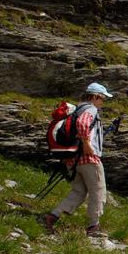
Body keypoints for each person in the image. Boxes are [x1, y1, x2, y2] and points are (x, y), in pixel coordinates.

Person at [43, 83, 115, 237]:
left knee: (79, 191)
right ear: (94, 96)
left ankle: (52, 217)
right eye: (102, 98)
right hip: (89, 158)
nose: (103, 102)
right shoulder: (90, 109)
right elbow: (82, 124)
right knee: (98, 191)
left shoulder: (77, 108)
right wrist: (87, 144)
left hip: (73, 159)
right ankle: (93, 226)